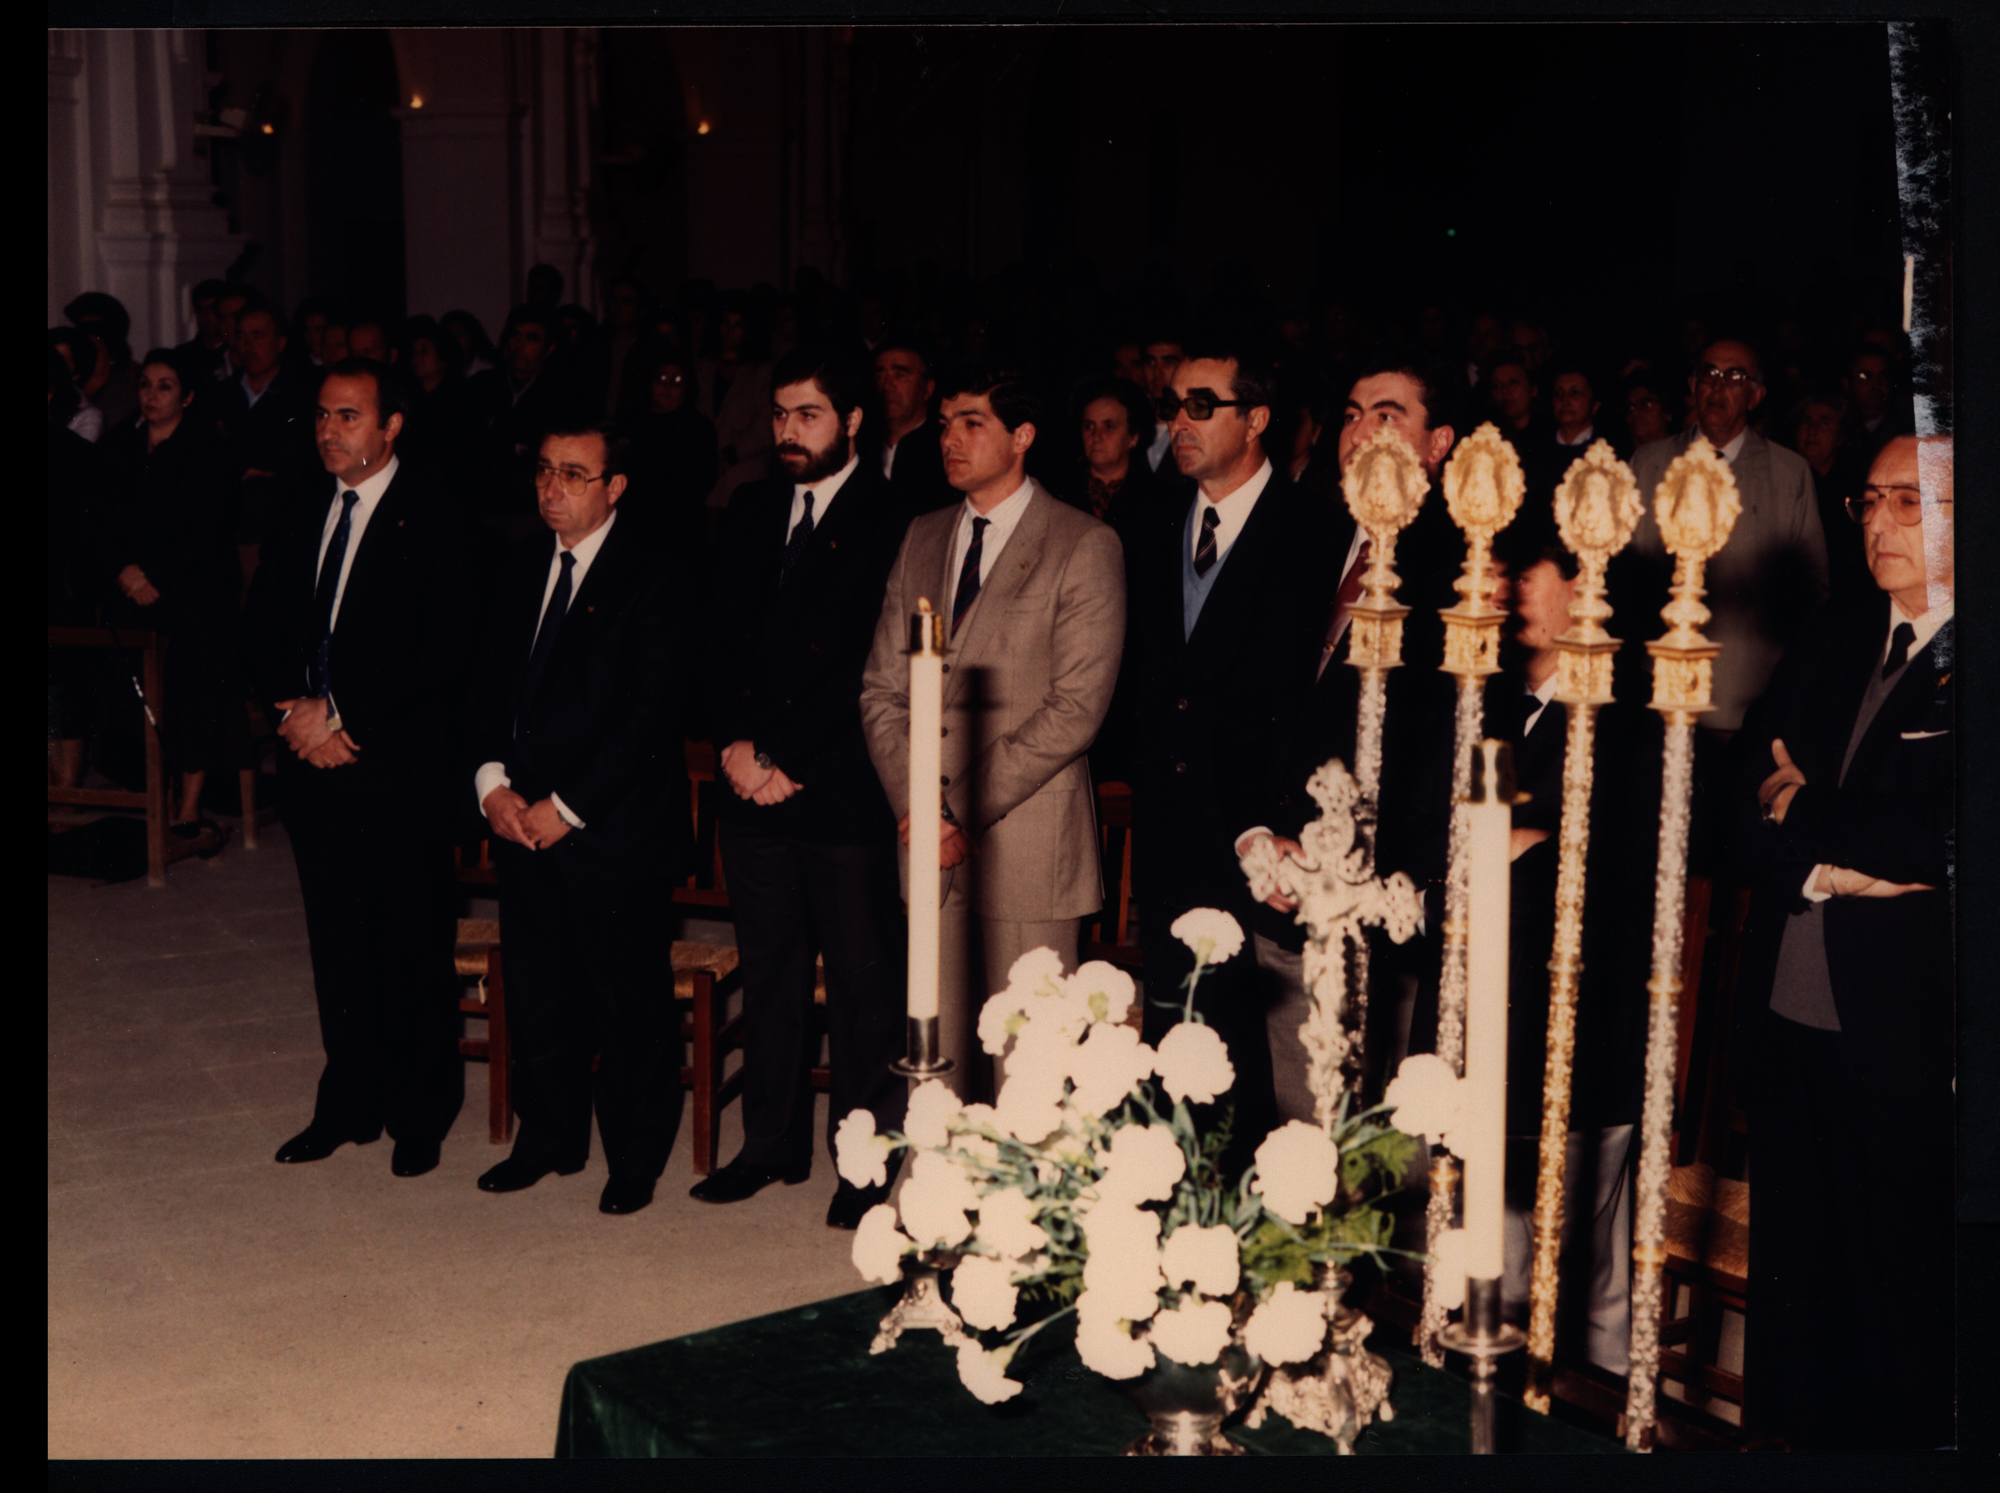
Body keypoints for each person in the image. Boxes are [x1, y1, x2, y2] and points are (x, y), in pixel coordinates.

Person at [1729, 434, 1953, 1450]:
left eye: (1909, 501)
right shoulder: (1836, 629)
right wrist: (1825, 864)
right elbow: (1741, 795)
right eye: (1869, 499)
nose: (1877, 522)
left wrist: (1806, 808)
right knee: (1791, 1324)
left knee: (1895, 1323)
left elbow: (1940, 832)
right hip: (1787, 1021)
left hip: (1907, 1042)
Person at [861, 367, 1126, 1100]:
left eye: (972, 423)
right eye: (945, 423)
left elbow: (1075, 709)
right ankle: (933, 1172)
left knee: (1027, 1065)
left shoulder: (1083, 542)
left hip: (1027, 840)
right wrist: (917, 806)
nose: (950, 439)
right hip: (925, 840)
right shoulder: (924, 535)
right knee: (935, 1053)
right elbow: (881, 689)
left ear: (1022, 436)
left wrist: (954, 808)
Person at [693, 348, 912, 1224]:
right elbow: (713, 637)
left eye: (808, 414)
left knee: (862, 987)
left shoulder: (895, 514)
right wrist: (736, 747)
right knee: (770, 970)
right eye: (780, 414)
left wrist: (783, 753)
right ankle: (770, 1143)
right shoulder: (752, 505)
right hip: (750, 782)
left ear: (852, 421)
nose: (788, 430)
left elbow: (869, 658)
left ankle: (861, 1162)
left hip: (838, 784)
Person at [242, 358, 474, 1178]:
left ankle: (421, 1110)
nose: (328, 430)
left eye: (348, 416)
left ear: (391, 425)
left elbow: (445, 648)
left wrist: (341, 713)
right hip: (312, 761)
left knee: (411, 940)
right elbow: (263, 623)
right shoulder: (301, 501)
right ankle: (347, 1101)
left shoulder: (439, 510)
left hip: (396, 764)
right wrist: (291, 713)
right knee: (337, 940)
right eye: (321, 415)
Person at [470, 423, 693, 1216]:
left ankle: (634, 1155)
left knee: (626, 997)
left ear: (615, 486)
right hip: (520, 819)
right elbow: (486, 685)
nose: (551, 488)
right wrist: (491, 784)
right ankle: (549, 1137)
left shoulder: (657, 570)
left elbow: (649, 714)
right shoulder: (518, 561)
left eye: (573, 473)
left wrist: (567, 808)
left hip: (612, 826)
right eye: (543, 471)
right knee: (540, 989)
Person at [1235, 349, 1462, 1123]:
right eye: (1354, 414)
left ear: (1438, 444)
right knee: (1298, 1131)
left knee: (1375, 1143)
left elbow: (1443, 757)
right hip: (1280, 887)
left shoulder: (1461, 572)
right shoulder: (1304, 538)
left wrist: (1362, 872)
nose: (1361, 433)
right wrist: (1259, 833)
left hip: (1382, 915)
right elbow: (1254, 701)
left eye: (1388, 415)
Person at [1125, 341, 1337, 1155]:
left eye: (1201, 405)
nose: (1179, 422)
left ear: (1256, 420)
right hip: (1167, 821)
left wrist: (1273, 822)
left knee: (1248, 1052)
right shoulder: (1152, 518)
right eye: (1173, 405)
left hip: (1252, 826)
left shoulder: (1315, 531)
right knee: (1171, 1034)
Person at [1627, 338, 1829, 735]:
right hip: (1659, 700)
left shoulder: (1789, 474)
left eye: (1735, 377)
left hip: (1748, 707)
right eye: (1709, 374)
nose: (1718, 386)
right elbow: (1623, 581)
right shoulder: (1648, 464)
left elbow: (1812, 592)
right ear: (1693, 386)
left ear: (1756, 396)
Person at [100, 349, 248, 840]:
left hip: (192, 587)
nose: (151, 395)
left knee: (193, 676)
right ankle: (152, 792)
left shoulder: (210, 449)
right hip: (133, 588)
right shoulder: (120, 444)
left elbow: (208, 530)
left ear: (187, 395)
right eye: (145, 384)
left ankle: (188, 804)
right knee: (125, 670)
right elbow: (99, 520)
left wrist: (153, 574)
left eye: (165, 386)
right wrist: (124, 572)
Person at [215, 301, 317, 554]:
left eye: (258, 336)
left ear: (280, 343)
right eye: (241, 337)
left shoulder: (303, 395)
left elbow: (292, 455)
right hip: (224, 527)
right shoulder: (220, 394)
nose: (247, 346)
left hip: (280, 527)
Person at [698, 294, 775, 510]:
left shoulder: (761, 372)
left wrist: (731, 455)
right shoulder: (703, 367)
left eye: (738, 325)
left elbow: (766, 424)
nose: (730, 331)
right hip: (706, 471)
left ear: (748, 331)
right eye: (725, 323)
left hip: (745, 471)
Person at [871, 337, 954, 518]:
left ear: (928, 389)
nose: (887, 386)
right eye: (879, 376)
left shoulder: (946, 450)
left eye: (900, 375)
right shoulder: (862, 448)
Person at [1071, 374, 1160, 540]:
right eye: (1089, 426)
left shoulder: (1156, 496)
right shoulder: (1059, 487)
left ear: (1133, 437)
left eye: (1109, 427)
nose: (1096, 437)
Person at [1138, 332, 1186, 474]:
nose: (1157, 373)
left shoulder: (1198, 422)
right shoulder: (1131, 417)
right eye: (1150, 362)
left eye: (1168, 362)